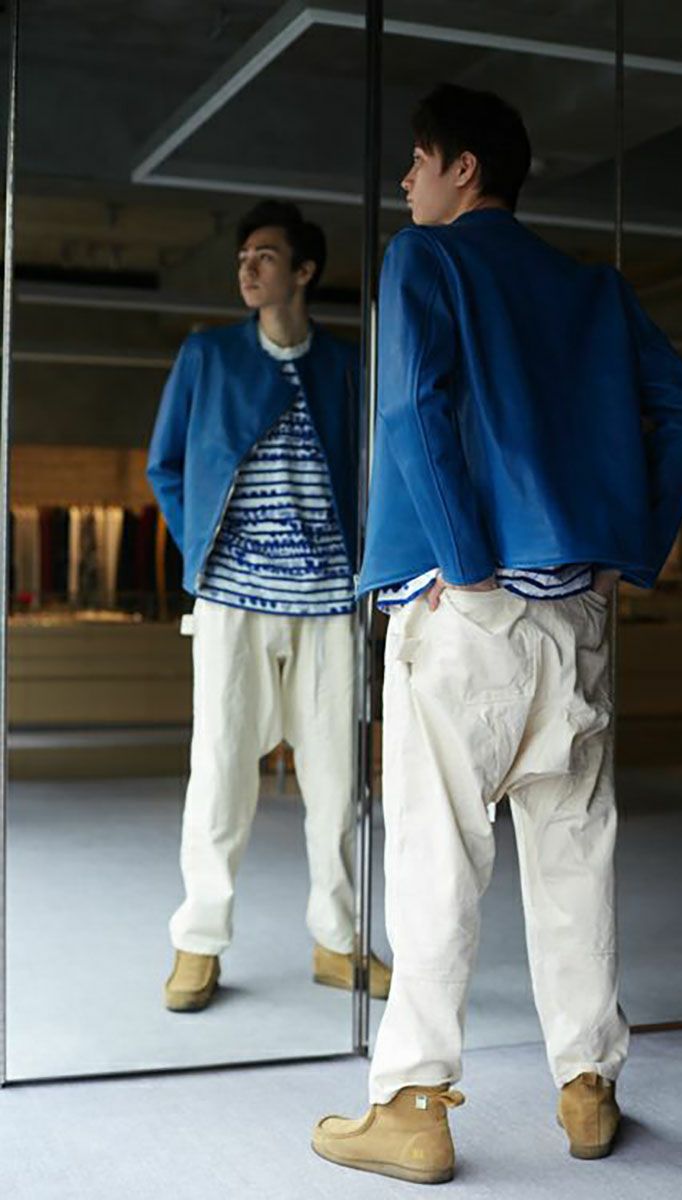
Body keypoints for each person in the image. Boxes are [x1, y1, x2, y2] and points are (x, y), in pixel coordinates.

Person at [312, 83, 682, 1182]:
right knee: (575, 849)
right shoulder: (594, 290)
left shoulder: (424, 259)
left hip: (466, 611)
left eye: (418, 158)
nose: (407, 179)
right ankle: (587, 1089)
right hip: (576, 609)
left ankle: (412, 1106)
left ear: (463, 170)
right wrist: (628, 549)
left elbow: (413, 410)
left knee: (438, 855)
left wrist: (465, 563)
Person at [147, 199, 391, 1012]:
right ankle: (199, 941)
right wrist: (203, 553)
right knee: (220, 772)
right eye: (243, 257)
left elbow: (373, 473)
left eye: (265, 256)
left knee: (339, 782)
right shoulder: (208, 355)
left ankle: (338, 940)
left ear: (304, 272)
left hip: (329, 605)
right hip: (234, 602)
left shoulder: (347, 365)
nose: (248, 269)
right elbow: (166, 465)